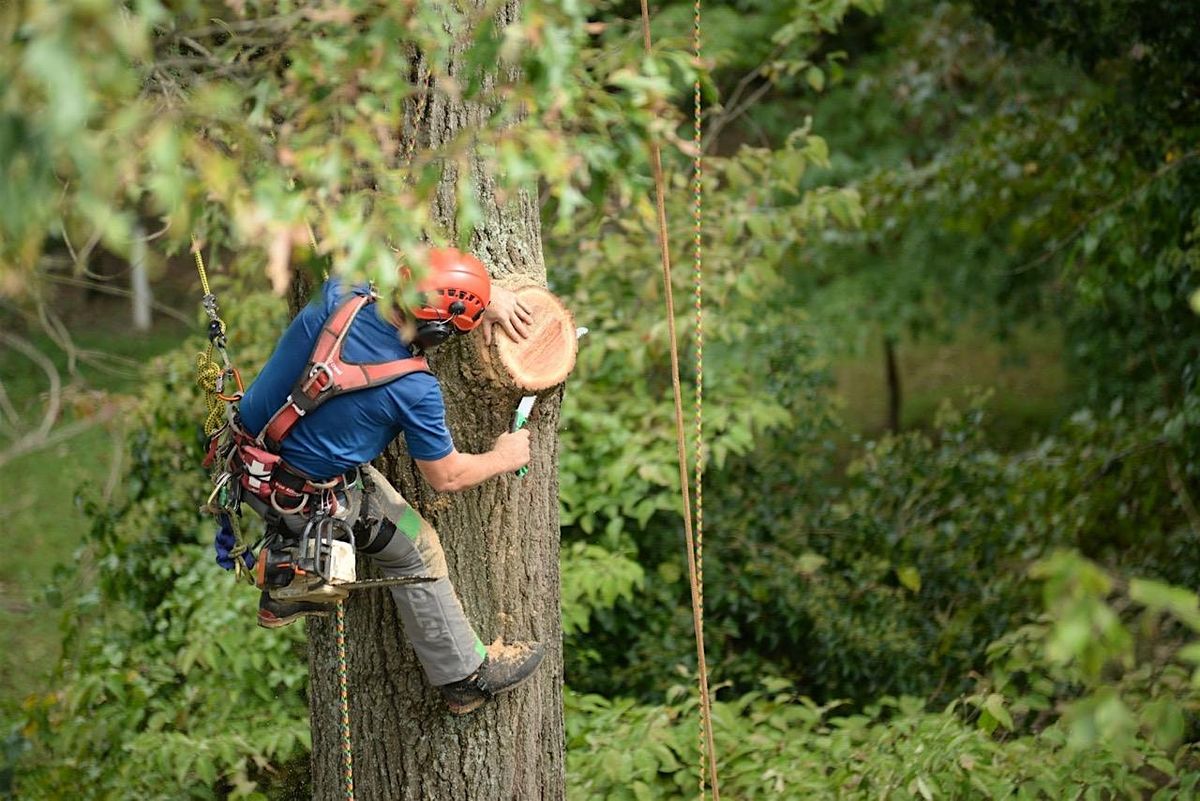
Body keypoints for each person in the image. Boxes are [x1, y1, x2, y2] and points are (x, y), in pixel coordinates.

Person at [223, 247, 544, 716]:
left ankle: (286, 575)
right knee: (419, 545)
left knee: (339, 462)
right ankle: (464, 678)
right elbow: (446, 476)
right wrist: (502, 456)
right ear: (440, 329)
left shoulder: (339, 293)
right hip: (305, 496)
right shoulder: (414, 390)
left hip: (245, 461)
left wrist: (483, 293)